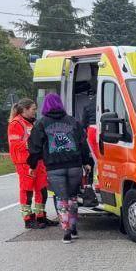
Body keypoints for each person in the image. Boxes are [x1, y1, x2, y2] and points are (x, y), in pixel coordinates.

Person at [27, 93, 94, 243]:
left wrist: (32, 164)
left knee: (61, 198)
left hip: (54, 167)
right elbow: (82, 143)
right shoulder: (73, 121)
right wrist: (86, 161)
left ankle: (66, 232)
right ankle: (74, 227)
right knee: (73, 197)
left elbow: (35, 146)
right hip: (74, 165)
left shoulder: (41, 123)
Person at [6, 99, 54, 229]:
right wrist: (34, 144)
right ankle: (28, 219)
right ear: (25, 110)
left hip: (38, 160)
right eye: (33, 109)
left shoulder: (33, 123)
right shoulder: (16, 123)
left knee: (42, 190)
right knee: (27, 191)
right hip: (24, 162)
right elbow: (15, 145)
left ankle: (40, 216)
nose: (35, 112)